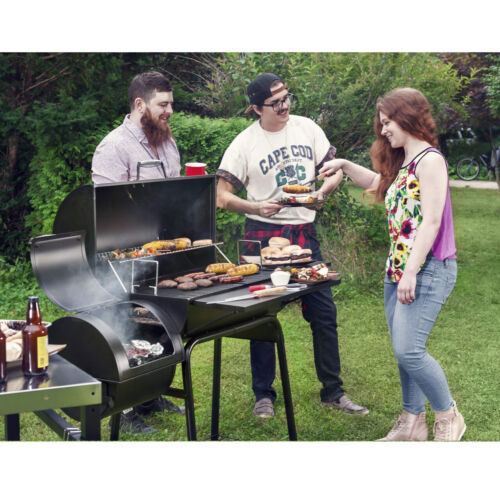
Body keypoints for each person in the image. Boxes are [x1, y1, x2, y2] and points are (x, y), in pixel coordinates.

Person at [216, 73, 369, 418]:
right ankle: (263, 396)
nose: (284, 106)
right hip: (261, 235)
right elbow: (221, 197)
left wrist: (322, 192)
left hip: (304, 235)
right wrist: (256, 206)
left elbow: (334, 170)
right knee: (261, 317)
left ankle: (333, 392)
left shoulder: (307, 128)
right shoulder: (244, 143)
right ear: (256, 108)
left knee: (324, 312)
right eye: (275, 103)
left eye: (286, 98)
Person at [319, 87, 466, 441]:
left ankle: (448, 415)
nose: (383, 130)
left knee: (409, 350)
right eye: (381, 123)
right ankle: (412, 423)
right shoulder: (405, 163)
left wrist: (411, 271)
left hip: (427, 267)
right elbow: (379, 184)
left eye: (388, 122)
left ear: (407, 117)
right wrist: (344, 165)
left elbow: (431, 221)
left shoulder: (430, 161)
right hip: (398, 268)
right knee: (403, 351)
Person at [92, 71, 185, 435]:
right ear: (139, 104)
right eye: (163, 104)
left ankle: (152, 395)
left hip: (162, 251)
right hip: (123, 259)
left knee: (162, 325)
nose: (170, 111)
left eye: (171, 104)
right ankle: (127, 409)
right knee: (129, 329)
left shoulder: (167, 142)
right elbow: (107, 211)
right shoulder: (113, 147)